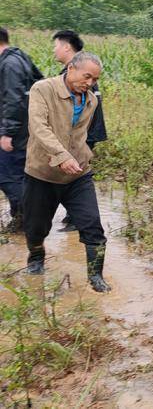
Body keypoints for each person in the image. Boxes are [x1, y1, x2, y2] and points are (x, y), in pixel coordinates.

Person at [23, 51, 111, 293]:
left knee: (93, 226)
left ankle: (96, 277)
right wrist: (61, 156)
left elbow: (81, 136)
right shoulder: (43, 89)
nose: (90, 83)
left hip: (78, 175)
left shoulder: (91, 100)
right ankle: (36, 257)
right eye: (87, 77)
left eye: (94, 79)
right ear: (70, 68)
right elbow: (38, 127)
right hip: (42, 174)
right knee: (36, 227)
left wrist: (81, 158)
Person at [52, 30, 108, 232]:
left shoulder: (83, 75)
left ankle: (77, 218)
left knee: (73, 173)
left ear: (67, 46)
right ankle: (73, 216)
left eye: (56, 46)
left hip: (83, 134)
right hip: (86, 133)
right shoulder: (77, 74)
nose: (54, 51)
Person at [0, 27, 44, 233]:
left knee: (8, 176)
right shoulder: (20, 57)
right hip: (25, 129)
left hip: (15, 132)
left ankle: (27, 221)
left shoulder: (9, 64)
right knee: (18, 175)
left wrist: (7, 132)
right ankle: (22, 218)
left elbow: (14, 100)